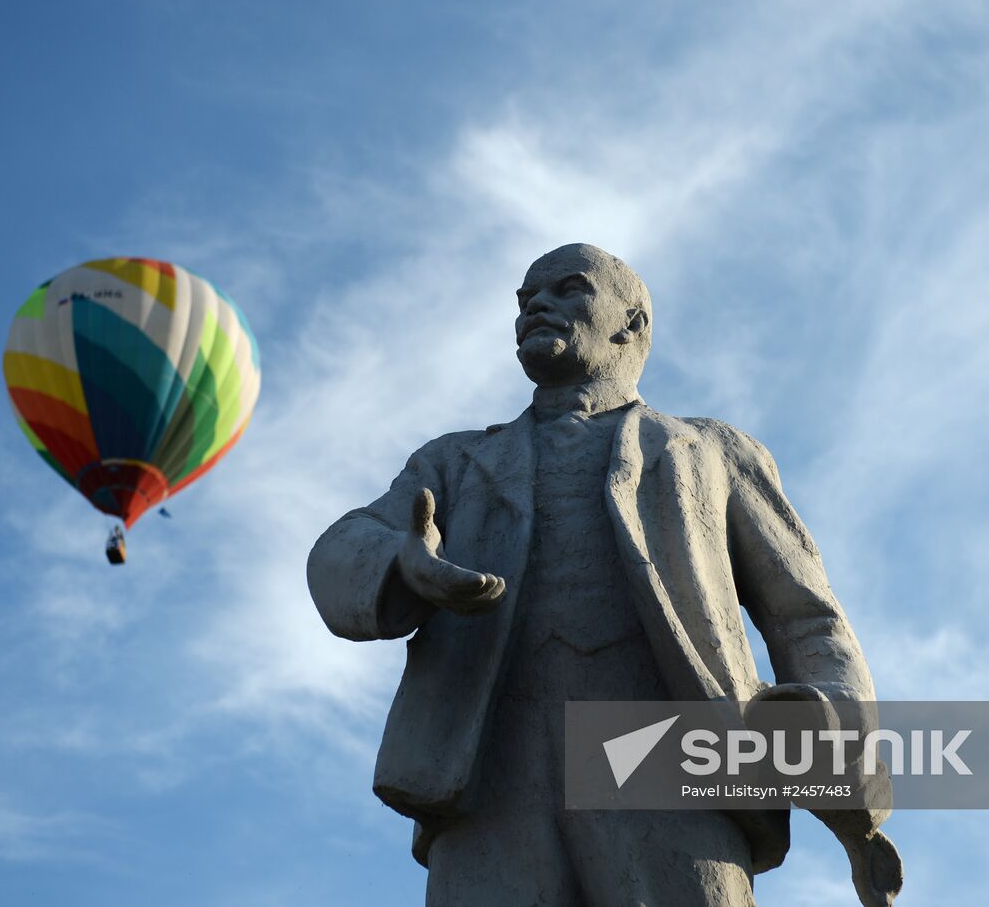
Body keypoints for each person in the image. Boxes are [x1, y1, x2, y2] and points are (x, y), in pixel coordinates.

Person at [307, 244, 900, 905]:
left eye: (568, 289)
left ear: (632, 324)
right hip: (493, 777)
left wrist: (837, 736)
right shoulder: (453, 462)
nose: (537, 305)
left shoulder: (709, 453)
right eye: (526, 298)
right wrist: (401, 565)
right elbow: (345, 545)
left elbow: (807, 615)